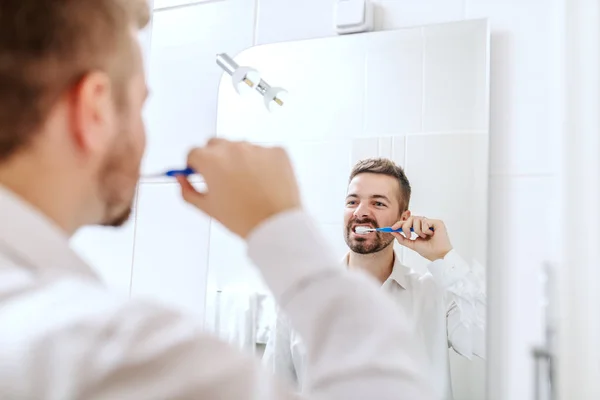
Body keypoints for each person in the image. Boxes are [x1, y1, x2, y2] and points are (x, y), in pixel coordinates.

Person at [0, 1, 438, 399]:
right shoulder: (117, 353)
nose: (362, 211)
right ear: (95, 110)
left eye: (379, 202)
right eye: (139, 106)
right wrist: (281, 228)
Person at [263, 158, 486, 399]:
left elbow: (490, 342)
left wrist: (444, 256)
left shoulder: (435, 296)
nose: (360, 212)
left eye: (378, 203)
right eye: (353, 201)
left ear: (403, 217)